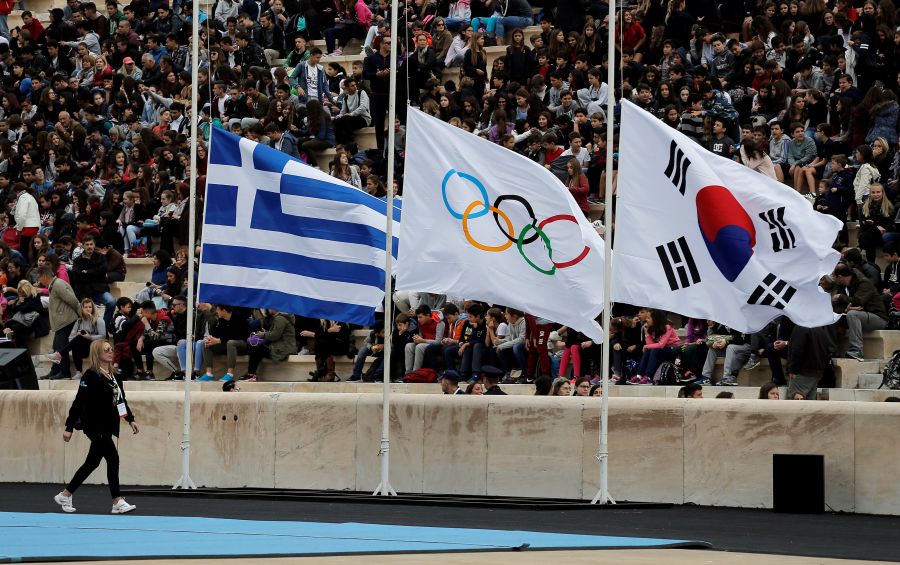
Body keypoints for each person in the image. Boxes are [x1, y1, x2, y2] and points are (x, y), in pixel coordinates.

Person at [55, 339, 139, 515]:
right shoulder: (90, 376)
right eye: (106, 350)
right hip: (94, 425)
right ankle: (117, 501)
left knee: (92, 462)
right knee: (113, 459)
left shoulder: (115, 376)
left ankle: (65, 494)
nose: (111, 352)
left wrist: (130, 419)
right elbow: (79, 403)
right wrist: (69, 427)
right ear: (98, 353)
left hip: (108, 425)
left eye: (111, 349)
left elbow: (120, 401)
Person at [833, 262, 888, 360]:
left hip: (877, 317)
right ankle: (832, 351)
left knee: (852, 314)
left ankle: (857, 350)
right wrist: (845, 309)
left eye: (834, 276)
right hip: (857, 315)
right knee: (831, 319)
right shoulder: (841, 286)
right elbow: (836, 308)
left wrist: (841, 297)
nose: (833, 279)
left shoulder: (864, 283)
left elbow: (858, 301)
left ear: (840, 276)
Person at [47, 298, 106, 380]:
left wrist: (89, 337)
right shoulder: (79, 321)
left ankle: (59, 354)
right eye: (85, 307)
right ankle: (79, 372)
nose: (88, 309)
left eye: (90, 307)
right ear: (82, 308)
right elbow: (71, 336)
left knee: (79, 339)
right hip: (83, 347)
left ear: (93, 308)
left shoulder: (99, 320)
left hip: (95, 347)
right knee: (76, 341)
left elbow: (103, 336)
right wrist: (77, 335)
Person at [39, 265, 81, 380]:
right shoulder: (54, 285)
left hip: (66, 320)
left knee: (61, 347)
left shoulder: (58, 284)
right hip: (61, 322)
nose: (39, 280)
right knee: (56, 347)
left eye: (39, 277)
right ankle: (55, 371)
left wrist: (81, 315)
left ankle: (64, 372)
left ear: (44, 276)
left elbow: (73, 300)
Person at [786, 325, 831, 400]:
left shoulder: (801, 326)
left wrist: (792, 369)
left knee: (796, 404)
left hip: (802, 372)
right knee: (809, 405)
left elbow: (797, 350)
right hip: (816, 373)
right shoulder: (820, 329)